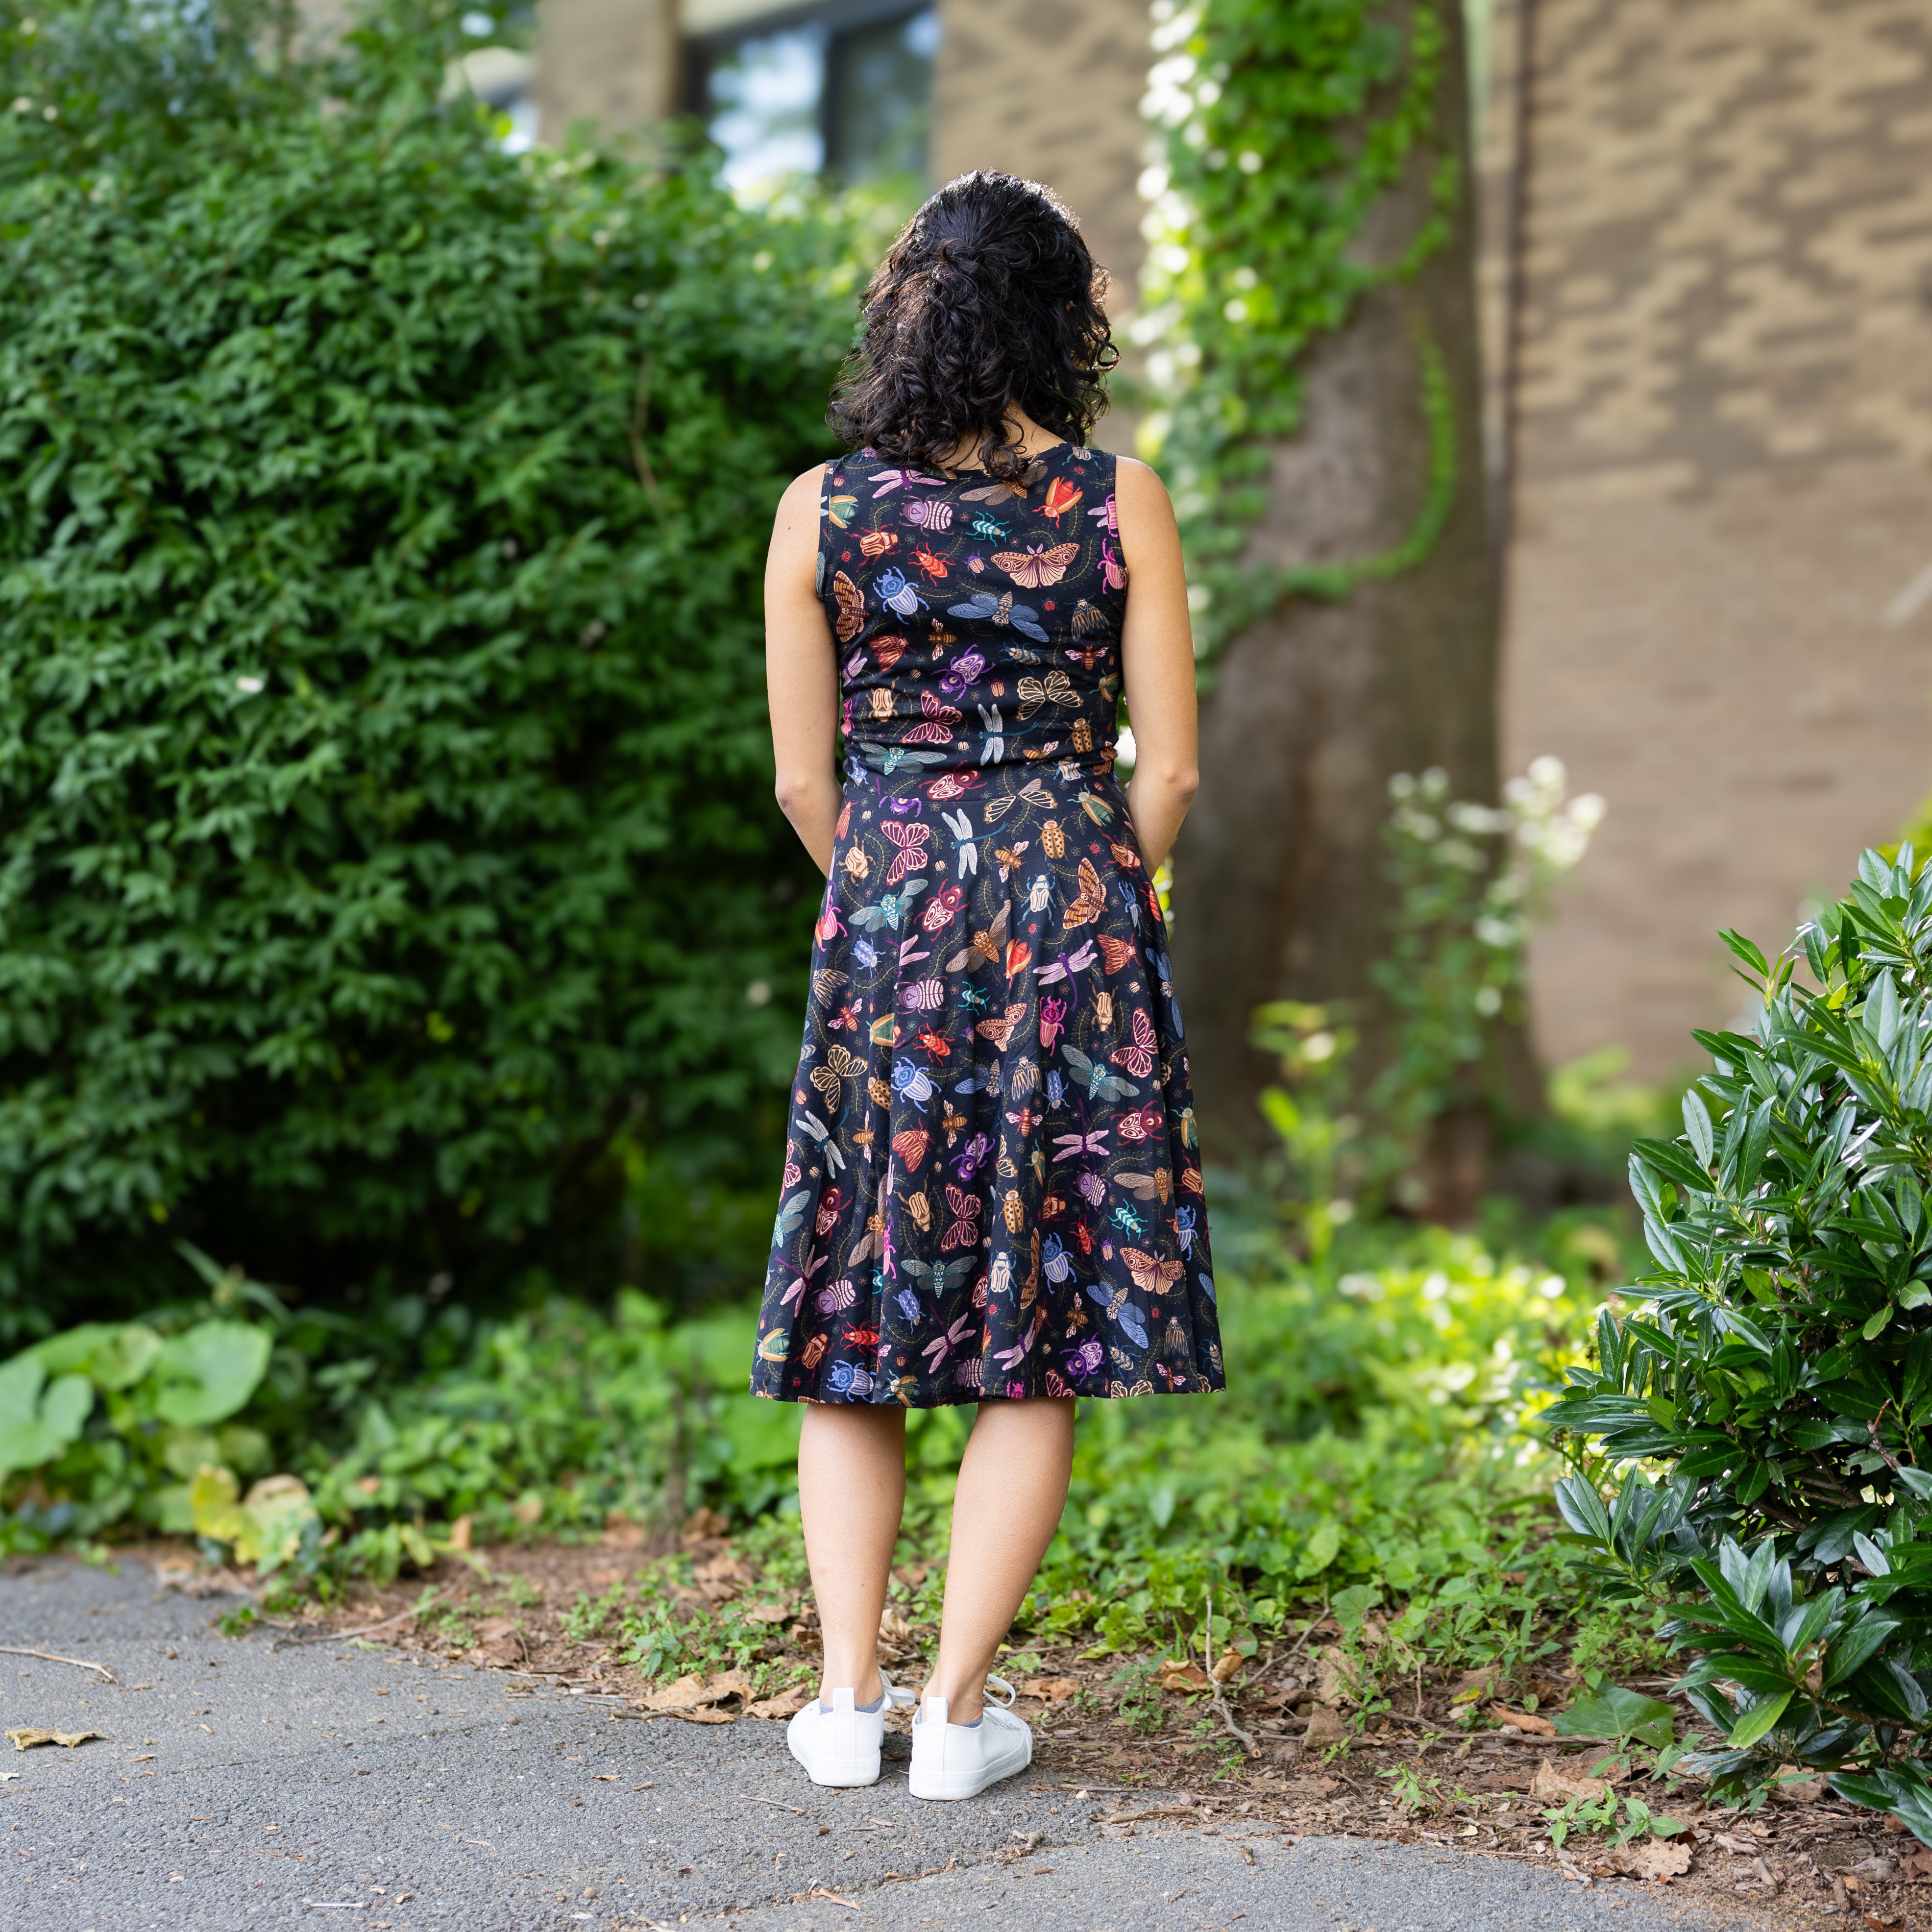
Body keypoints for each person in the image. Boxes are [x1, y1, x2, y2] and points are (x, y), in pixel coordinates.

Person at [752, 171, 1222, 1803]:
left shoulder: (826, 509)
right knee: (1033, 1322)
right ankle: (955, 1720)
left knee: (861, 1306)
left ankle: (839, 1706)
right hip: (1073, 912)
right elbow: (1167, 769)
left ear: (907, 315)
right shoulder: (1121, 500)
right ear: (1058, 321)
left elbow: (805, 783)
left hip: (889, 915)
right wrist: (1094, 887)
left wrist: (903, 896)